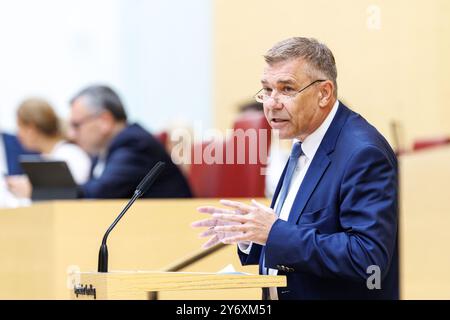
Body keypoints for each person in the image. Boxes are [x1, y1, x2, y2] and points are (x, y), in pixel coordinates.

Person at [192, 37, 398, 300]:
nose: (272, 103)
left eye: (287, 89)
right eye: (267, 90)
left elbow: (367, 258)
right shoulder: (304, 140)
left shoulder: (363, 153)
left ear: (324, 93)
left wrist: (273, 231)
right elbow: (295, 232)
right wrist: (251, 235)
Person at [68, 85, 192, 199]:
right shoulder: (103, 152)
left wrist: (59, 190)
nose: (71, 135)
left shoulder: (135, 145)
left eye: (76, 125)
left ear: (104, 121)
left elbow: (101, 193)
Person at [6, 98, 91, 199]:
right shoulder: (47, 157)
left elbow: (71, 196)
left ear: (31, 129)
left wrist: (32, 192)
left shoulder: (70, 155)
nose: (18, 134)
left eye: (20, 127)